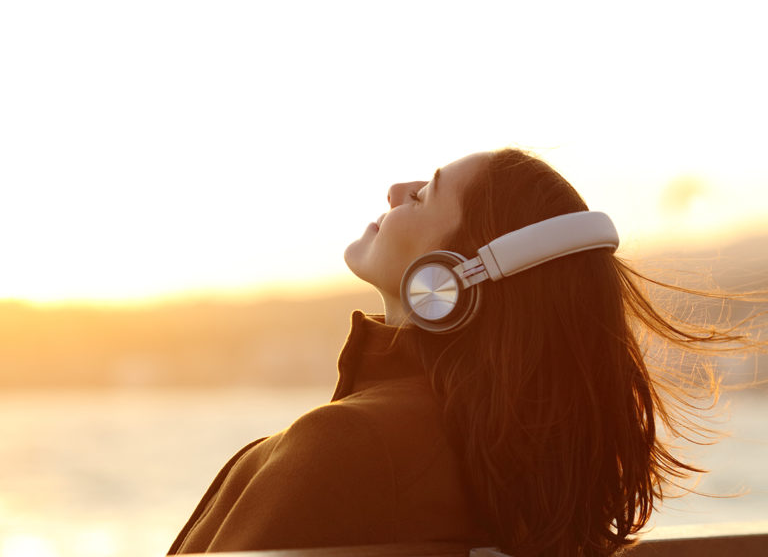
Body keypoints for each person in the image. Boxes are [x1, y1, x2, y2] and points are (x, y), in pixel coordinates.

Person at [168, 148, 756, 556]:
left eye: (423, 195)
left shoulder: (351, 444)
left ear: (449, 280)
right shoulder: (498, 454)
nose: (396, 190)